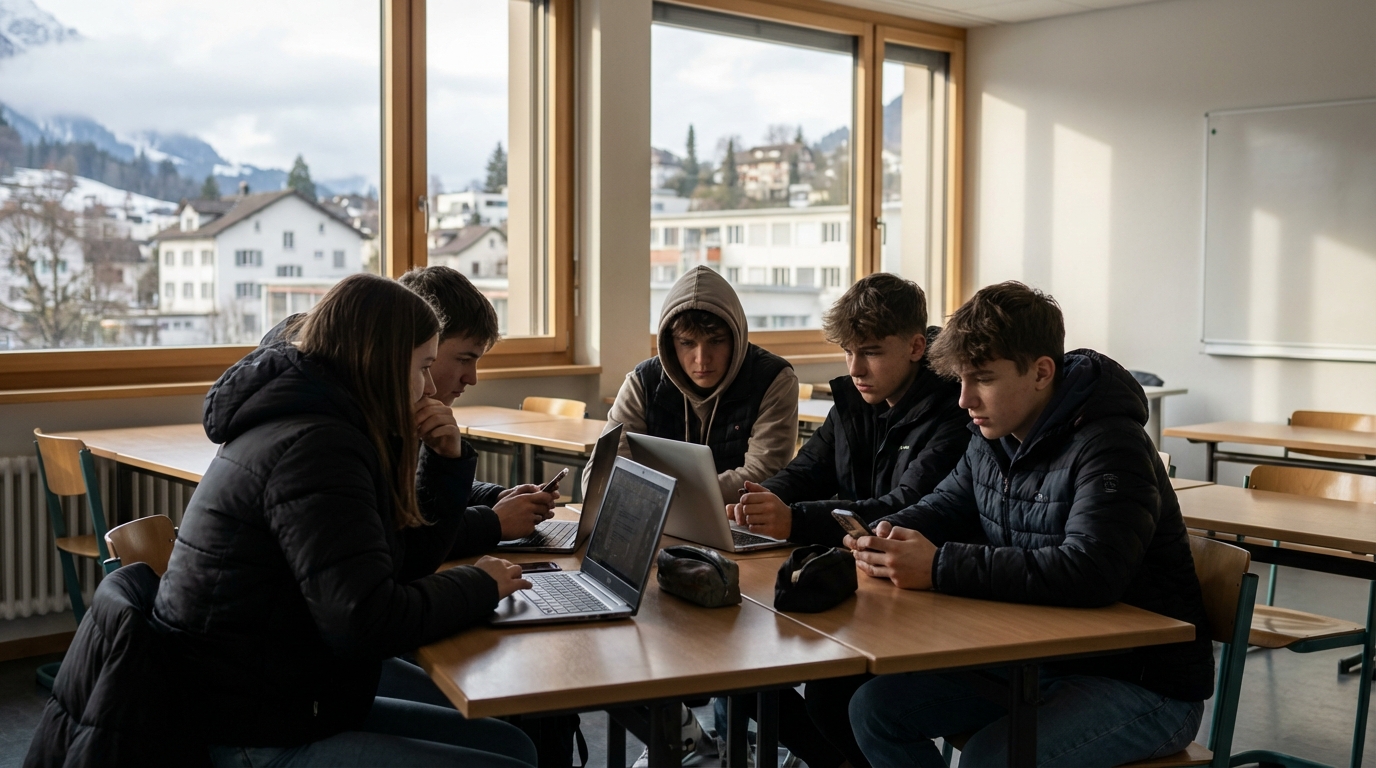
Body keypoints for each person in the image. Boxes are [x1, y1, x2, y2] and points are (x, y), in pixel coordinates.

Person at [153, 273, 538, 767]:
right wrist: (479, 585)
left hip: (287, 694)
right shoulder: (319, 448)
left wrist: (444, 462)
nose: (427, 385)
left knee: (515, 747)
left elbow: (404, 560)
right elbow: (366, 623)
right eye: (423, 366)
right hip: (252, 729)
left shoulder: (331, 422)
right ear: (382, 360)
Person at [845, 281, 1214, 767]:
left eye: (983, 379)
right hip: (1038, 662)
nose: (964, 399)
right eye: (960, 378)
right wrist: (883, 533)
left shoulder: (1111, 443)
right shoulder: (992, 436)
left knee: (990, 759)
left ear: (1042, 372)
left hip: (1143, 683)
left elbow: (1091, 571)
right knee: (875, 710)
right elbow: (942, 507)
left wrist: (938, 567)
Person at [720, 273, 971, 768]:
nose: (856, 367)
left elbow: (906, 503)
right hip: (859, 573)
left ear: (917, 346)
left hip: (916, 595)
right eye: (849, 351)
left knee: (829, 696)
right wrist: (761, 499)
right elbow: (807, 470)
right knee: (741, 676)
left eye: (872, 351)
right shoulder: (856, 401)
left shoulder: (953, 412)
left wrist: (793, 521)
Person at [588, 265, 799, 500]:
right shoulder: (642, 381)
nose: (702, 359)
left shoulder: (773, 379)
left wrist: (662, 496)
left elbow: (763, 475)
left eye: (716, 341)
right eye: (687, 343)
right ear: (670, 344)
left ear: (736, 338)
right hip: (659, 521)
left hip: (742, 524)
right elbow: (598, 479)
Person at [398, 265, 560, 553]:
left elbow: (422, 496)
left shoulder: (417, 415)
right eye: (463, 359)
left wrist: (496, 496)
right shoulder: (376, 424)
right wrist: (495, 522)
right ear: (420, 346)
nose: (471, 378)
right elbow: (407, 542)